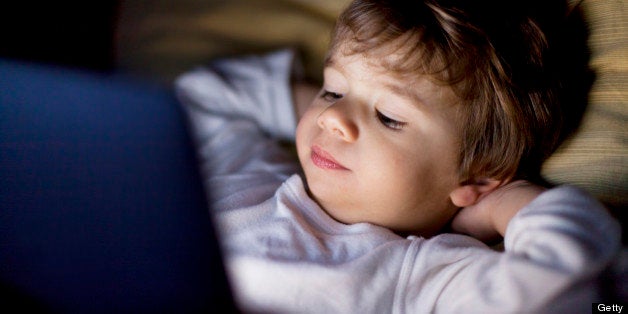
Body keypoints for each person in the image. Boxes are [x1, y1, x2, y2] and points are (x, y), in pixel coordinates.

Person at [174, 0, 621, 312]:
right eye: (333, 89)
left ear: (479, 178)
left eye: (389, 117)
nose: (333, 118)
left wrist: (509, 204)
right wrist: (325, 104)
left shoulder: (419, 277)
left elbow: (579, 291)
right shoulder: (249, 172)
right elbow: (202, 98)